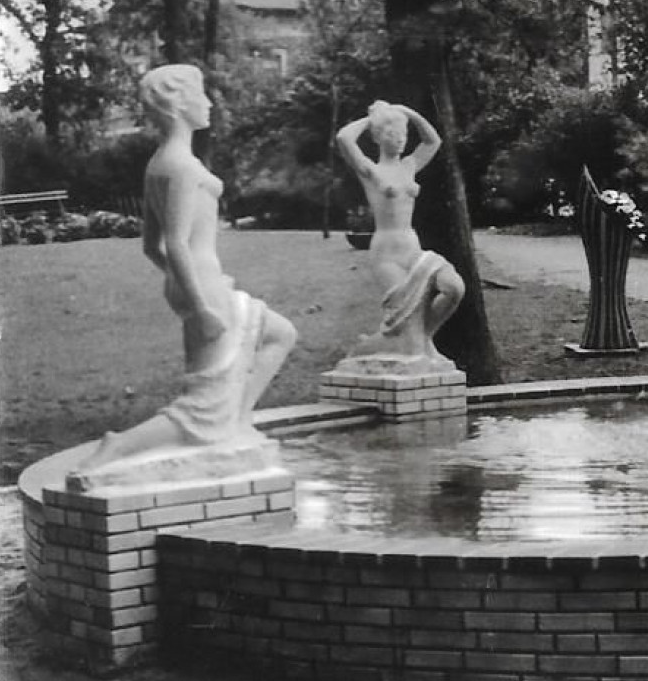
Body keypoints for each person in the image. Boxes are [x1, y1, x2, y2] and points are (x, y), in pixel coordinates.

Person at [73, 64, 297, 474]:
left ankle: (237, 420)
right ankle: (119, 446)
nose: (209, 103)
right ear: (179, 105)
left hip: (201, 283)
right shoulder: (179, 166)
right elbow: (172, 242)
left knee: (281, 334)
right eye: (202, 95)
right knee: (203, 404)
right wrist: (199, 305)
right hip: (204, 289)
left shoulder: (161, 162)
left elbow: (150, 247)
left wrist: (178, 283)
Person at [335, 100, 465, 359]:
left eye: (404, 134)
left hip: (412, 248)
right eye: (394, 134)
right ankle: (378, 349)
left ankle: (425, 338)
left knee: (454, 288)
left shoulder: (409, 166)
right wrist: (374, 118)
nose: (401, 140)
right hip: (386, 254)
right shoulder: (370, 170)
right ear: (379, 137)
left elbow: (433, 141)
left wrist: (409, 112)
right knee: (407, 316)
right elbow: (344, 137)